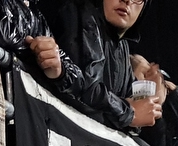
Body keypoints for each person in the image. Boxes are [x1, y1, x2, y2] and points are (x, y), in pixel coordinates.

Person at [27, 0, 161, 130]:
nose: (127, 0)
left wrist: (149, 106)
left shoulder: (122, 45)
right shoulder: (83, 13)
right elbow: (85, 87)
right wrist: (130, 113)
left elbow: (129, 105)